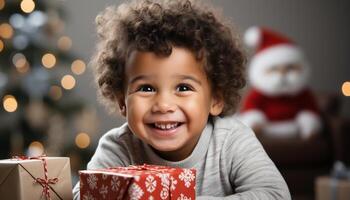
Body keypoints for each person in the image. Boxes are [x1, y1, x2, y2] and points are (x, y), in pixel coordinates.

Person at [73, 0, 291, 199]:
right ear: (123, 101)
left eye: (183, 87)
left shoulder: (231, 141)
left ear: (216, 99)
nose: (164, 105)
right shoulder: (119, 148)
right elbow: (82, 196)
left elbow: (275, 195)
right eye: (146, 88)